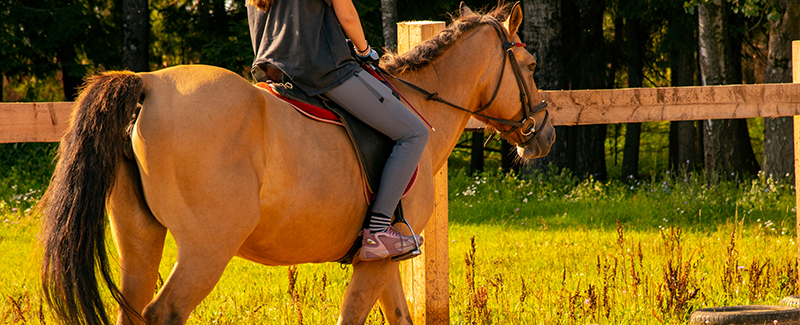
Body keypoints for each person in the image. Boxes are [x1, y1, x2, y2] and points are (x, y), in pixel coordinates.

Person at [246, 0, 429, 261]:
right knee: (414, 133)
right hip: (322, 71)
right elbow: (348, 17)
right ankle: (378, 231)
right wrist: (366, 51)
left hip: (273, 72)